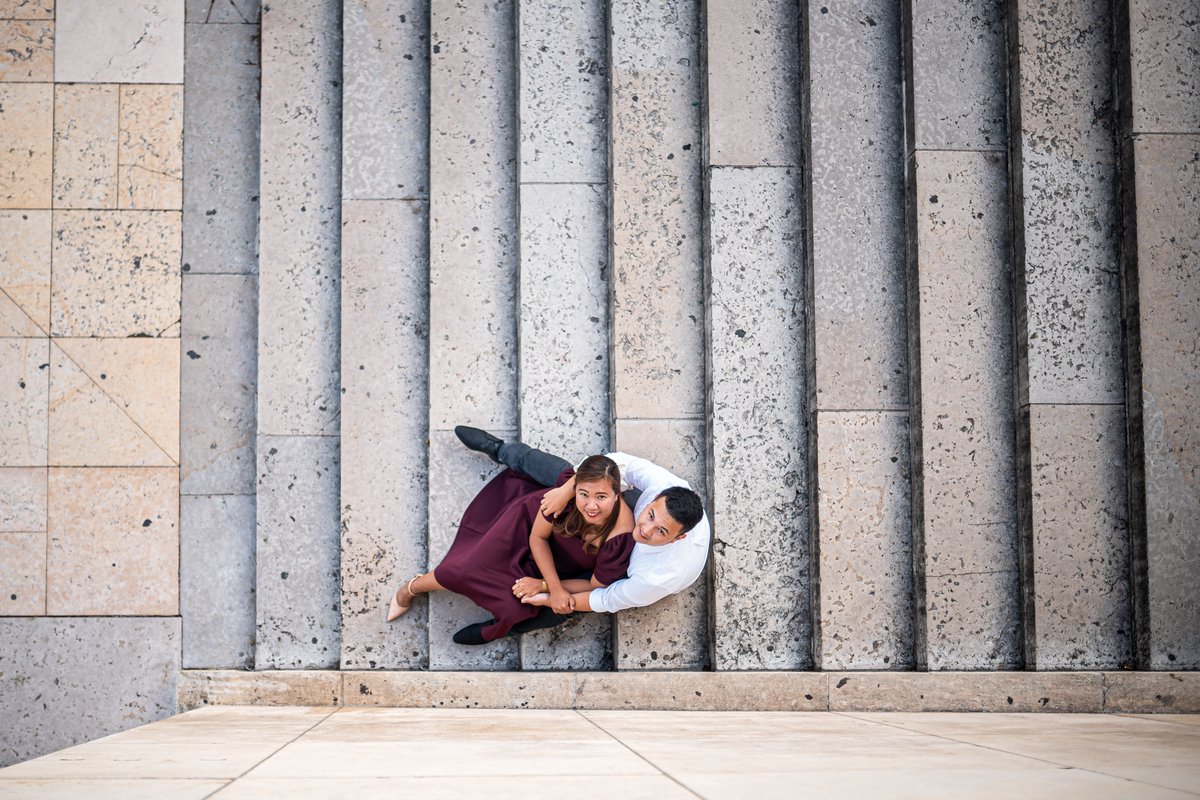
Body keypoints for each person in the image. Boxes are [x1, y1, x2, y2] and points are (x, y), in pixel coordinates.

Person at [450, 426, 708, 640]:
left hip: (627, 570)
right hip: (620, 516)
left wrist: (548, 591)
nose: (645, 529)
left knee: (566, 604)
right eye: (650, 515)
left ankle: (505, 627)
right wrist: (567, 490)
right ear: (654, 498)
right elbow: (617, 463)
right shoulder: (667, 488)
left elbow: (603, 598)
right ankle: (502, 450)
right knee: (572, 476)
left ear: (677, 538)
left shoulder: (654, 578)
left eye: (660, 531)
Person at [385, 454, 636, 645]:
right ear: (575, 489)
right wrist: (555, 588)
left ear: (617, 495)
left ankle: (493, 630)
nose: (591, 505)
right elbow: (537, 537)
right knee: (465, 568)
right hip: (524, 529)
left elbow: (595, 584)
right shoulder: (564, 497)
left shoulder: (619, 538)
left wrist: (544, 585)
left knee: (516, 608)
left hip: (554, 565)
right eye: (584, 494)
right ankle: (410, 588)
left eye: (601, 497)